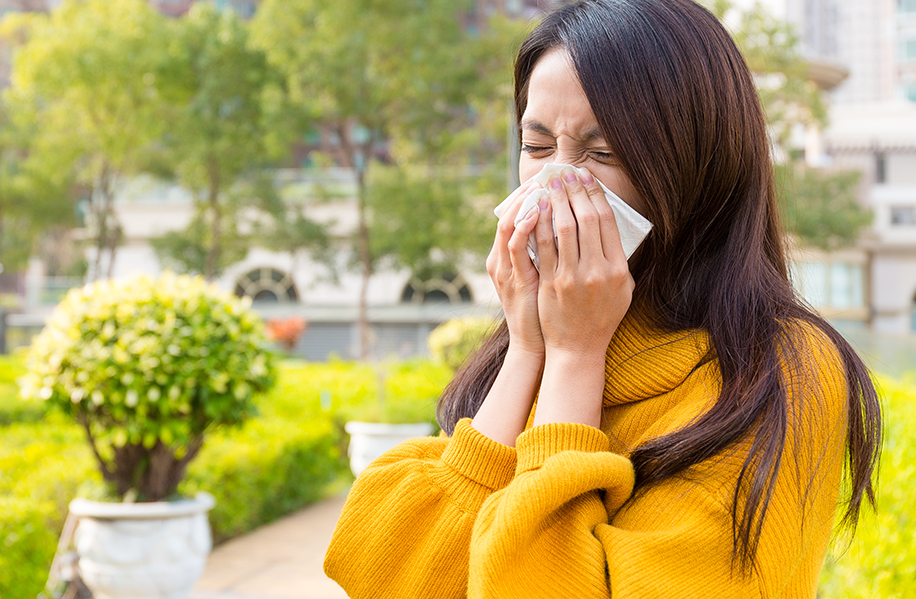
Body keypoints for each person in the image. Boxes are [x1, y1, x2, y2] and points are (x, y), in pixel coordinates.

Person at [324, 0, 882, 597]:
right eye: (537, 148)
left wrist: (574, 358)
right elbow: (397, 573)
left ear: (697, 166)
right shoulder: (542, 335)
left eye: (604, 153)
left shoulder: (777, 370)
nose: (558, 182)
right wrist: (526, 351)